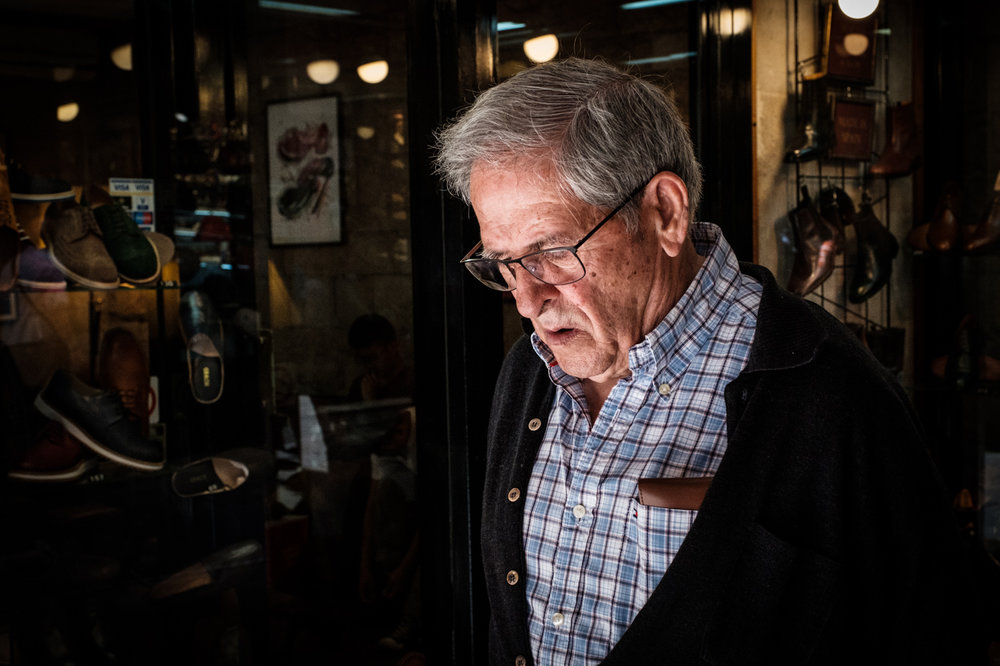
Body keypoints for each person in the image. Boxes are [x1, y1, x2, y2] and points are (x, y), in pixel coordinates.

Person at [434, 57, 999, 665]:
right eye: (502, 264)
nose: (527, 299)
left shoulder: (835, 397)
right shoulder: (529, 373)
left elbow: (936, 634)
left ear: (666, 214)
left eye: (552, 252)